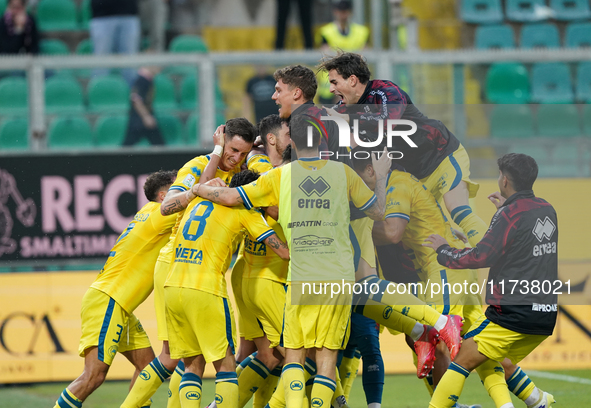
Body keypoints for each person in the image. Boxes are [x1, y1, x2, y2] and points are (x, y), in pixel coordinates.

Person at [192, 114, 388, 408]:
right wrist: (382, 177)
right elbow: (378, 212)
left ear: (293, 141)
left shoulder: (280, 175)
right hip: (338, 277)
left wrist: (199, 189)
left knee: (293, 355)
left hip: (300, 276)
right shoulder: (344, 173)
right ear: (322, 139)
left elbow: (231, 197)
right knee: (325, 358)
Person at [119, 119, 256, 408]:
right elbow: (167, 206)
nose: (236, 158)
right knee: (175, 355)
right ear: (221, 141)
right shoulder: (197, 166)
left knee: (184, 357)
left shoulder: (239, 171)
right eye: (232, 149)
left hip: (197, 265)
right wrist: (202, 179)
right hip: (177, 262)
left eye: (243, 153)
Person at [424, 153, 558, 408]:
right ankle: (538, 401)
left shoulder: (510, 214)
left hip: (512, 311)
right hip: (546, 313)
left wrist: (444, 251)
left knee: (462, 359)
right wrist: (503, 213)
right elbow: (524, 243)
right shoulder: (546, 209)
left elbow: (481, 255)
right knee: (493, 358)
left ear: (504, 180)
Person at [318, 52, 488, 248]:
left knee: (458, 211)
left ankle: (497, 260)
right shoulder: (344, 108)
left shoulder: (386, 91)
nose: (330, 89)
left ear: (353, 80)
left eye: (334, 82)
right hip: (413, 174)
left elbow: (388, 121)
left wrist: (350, 119)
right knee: (422, 229)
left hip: (442, 156)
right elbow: (335, 133)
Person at [164, 169, 289, 408]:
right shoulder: (244, 210)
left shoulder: (197, 202)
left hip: (173, 287)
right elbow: (283, 252)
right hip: (206, 289)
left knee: (192, 365)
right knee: (226, 368)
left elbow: (168, 207)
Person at [53, 170, 177, 408]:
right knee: (94, 376)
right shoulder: (160, 214)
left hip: (118, 303)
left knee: (147, 368)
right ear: (163, 197)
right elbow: (198, 202)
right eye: (176, 188)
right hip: (109, 299)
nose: (181, 192)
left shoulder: (147, 213)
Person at [316, 0, 369, 104]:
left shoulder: (361, 32)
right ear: (335, 12)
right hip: (329, 83)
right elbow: (325, 56)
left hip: (353, 81)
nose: (342, 14)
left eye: (344, 11)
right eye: (340, 11)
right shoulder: (326, 32)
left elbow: (365, 55)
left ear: (349, 12)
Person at [90, 0, 141, 85]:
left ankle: (131, 96)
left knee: (130, 62)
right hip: (102, 14)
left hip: (129, 13)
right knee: (100, 62)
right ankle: (98, 93)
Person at [123, 64, 165, 147]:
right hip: (138, 121)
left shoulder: (148, 80)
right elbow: (136, 99)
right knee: (127, 147)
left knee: (159, 144)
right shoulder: (142, 80)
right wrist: (146, 116)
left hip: (141, 120)